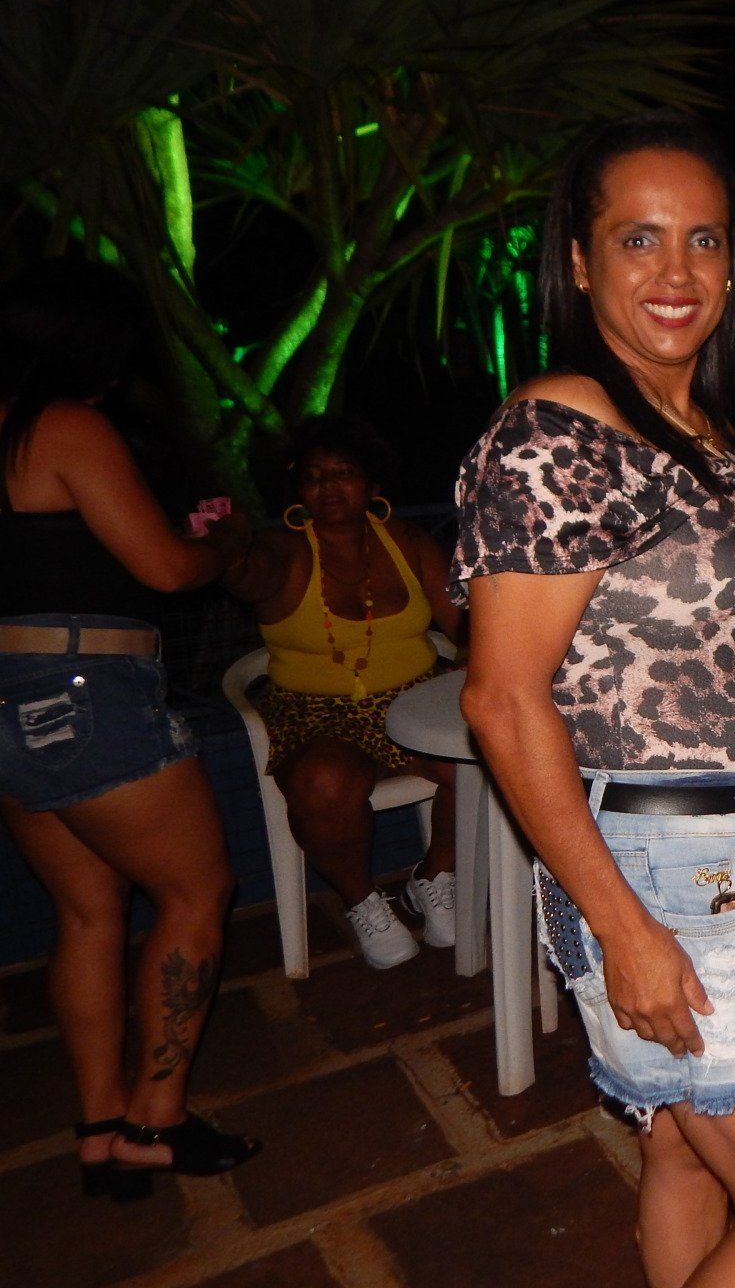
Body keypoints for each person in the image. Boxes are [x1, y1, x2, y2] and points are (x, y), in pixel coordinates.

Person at [454, 113, 735, 1287]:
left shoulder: (709, 428)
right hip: (679, 866)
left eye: (703, 240)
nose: (677, 272)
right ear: (580, 263)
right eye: (639, 240)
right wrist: (626, 930)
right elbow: (502, 703)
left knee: (684, 1151)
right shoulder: (559, 430)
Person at [0, 260, 261, 1198]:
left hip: (7, 702)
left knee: (86, 913)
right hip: (84, 694)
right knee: (196, 892)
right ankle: (156, 1120)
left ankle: (100, 1127)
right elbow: (164, 569)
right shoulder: (64, 426)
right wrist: (221, 544)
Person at [220, 416, 464, 968]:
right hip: (317, 717)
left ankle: (434, 875)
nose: (328, 486)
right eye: (314, 476)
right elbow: (246, 577)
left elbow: (462, 625)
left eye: (343, 473)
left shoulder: (408, 542)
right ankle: (361, 900)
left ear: (372, 485)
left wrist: (474, 668)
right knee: (323, 783)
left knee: (483, 756)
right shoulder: (282, 550)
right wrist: (228, 549)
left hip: (414, 703)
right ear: (298, 492)